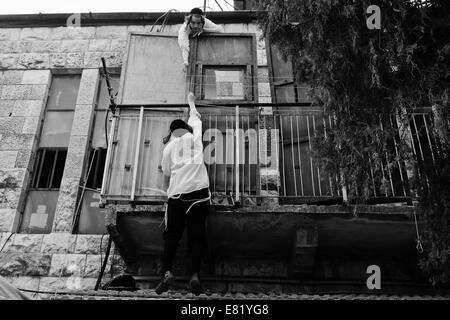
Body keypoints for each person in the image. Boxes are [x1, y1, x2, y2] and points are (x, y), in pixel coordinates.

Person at [155, 92, 211, 295]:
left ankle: (167, 272)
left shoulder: (169, 147)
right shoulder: (194, 138)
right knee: (197, 237)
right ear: (184, 128)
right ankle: (194, 274)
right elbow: (196, 121)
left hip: (177, 195)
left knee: (172, 236)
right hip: (199, 194)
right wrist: (191, 103)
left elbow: (167, 171)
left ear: (172, 132)